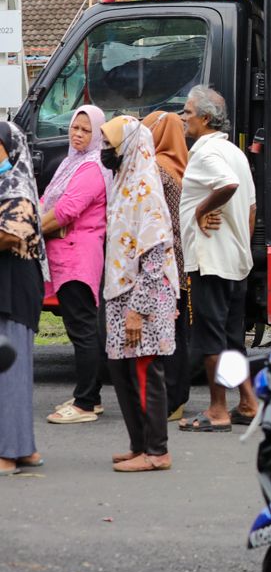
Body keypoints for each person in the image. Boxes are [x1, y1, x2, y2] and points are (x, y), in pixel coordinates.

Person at [99, 116, 179, 472]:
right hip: (120, 292)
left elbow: (155, 253)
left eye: (110, 144)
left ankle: (157, 451)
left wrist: (138, 309)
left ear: (129, 146)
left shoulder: (146, 187)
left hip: (143, 297)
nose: (105, 150)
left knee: (146, 369)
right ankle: (139, 444)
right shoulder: (123, 181)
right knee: (122, 370)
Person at [178, 86, 258, 432]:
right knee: (231, 338)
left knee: (211, 339)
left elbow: (227, 185)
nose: (183, 117)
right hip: (235, 260)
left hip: (210, 260)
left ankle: (217, 410)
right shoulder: (234, 152)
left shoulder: (205, 152)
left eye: (188, 112)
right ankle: (249, 402)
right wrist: (240, 244)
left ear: (206, 118)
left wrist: (199, 211)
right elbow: (251, 208)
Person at [42, 105, 110, 425]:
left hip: (77, 257)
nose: (78, 134)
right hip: (68, 255)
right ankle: (89, 396)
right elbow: (48, 201)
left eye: (86, 130)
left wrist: (28, 229)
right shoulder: (72, 162)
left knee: (82, 330)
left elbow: (66, 210)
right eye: (75, 128)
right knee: (79, 328)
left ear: (97, 135)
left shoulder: (92, 167)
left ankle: (85, 403)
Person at [0, 123, 47, 475]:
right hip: (8, 285)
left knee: (10, 371)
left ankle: (8, 452)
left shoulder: (17, 187)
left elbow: (12, 234)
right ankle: (25, 447)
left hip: (14, 288)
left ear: (11, 150)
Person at [143, 111, 191, 420]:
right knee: (179, 331)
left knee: (165, 332)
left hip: (163, 261)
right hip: (182, 261)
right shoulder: (182, 165)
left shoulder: (158, 169)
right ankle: (178, 397)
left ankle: (171, 399)